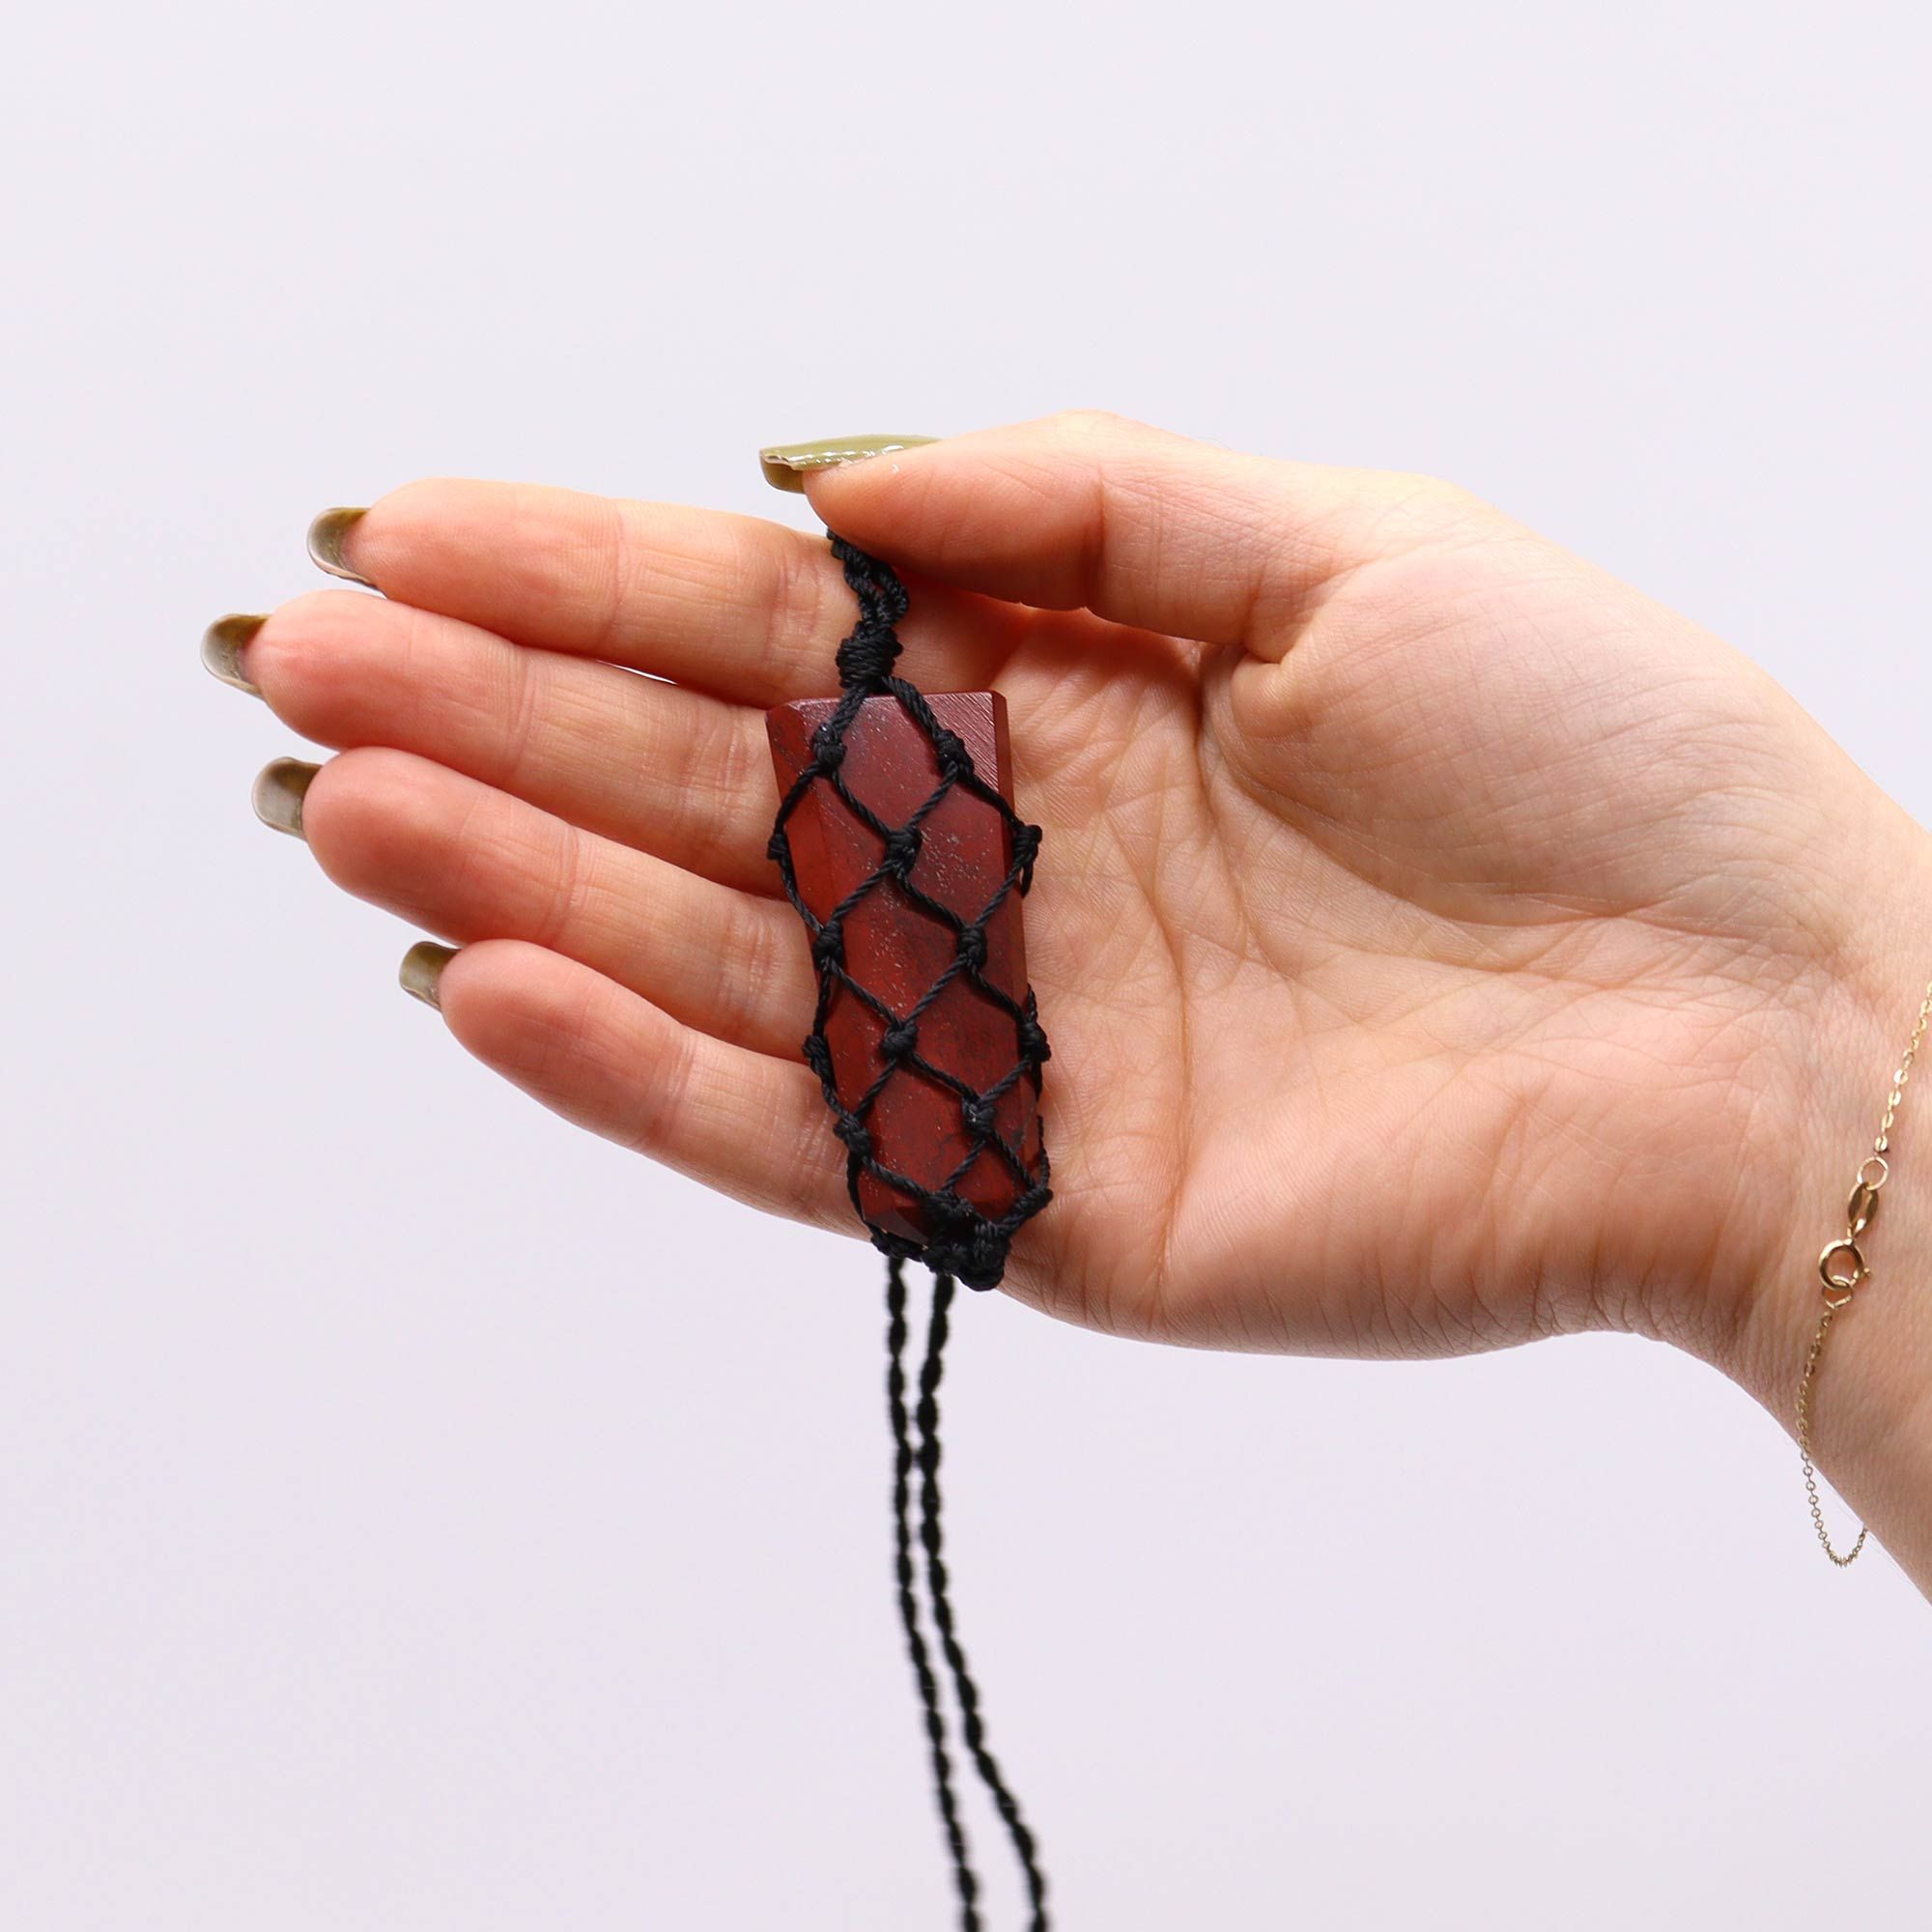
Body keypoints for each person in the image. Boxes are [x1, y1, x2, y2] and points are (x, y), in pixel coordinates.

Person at [201, 412, 1932, 1596]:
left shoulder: (904, 765)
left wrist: (1812, 1009)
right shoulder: (907, 762)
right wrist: (1810, 1057)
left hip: (957, 1134)